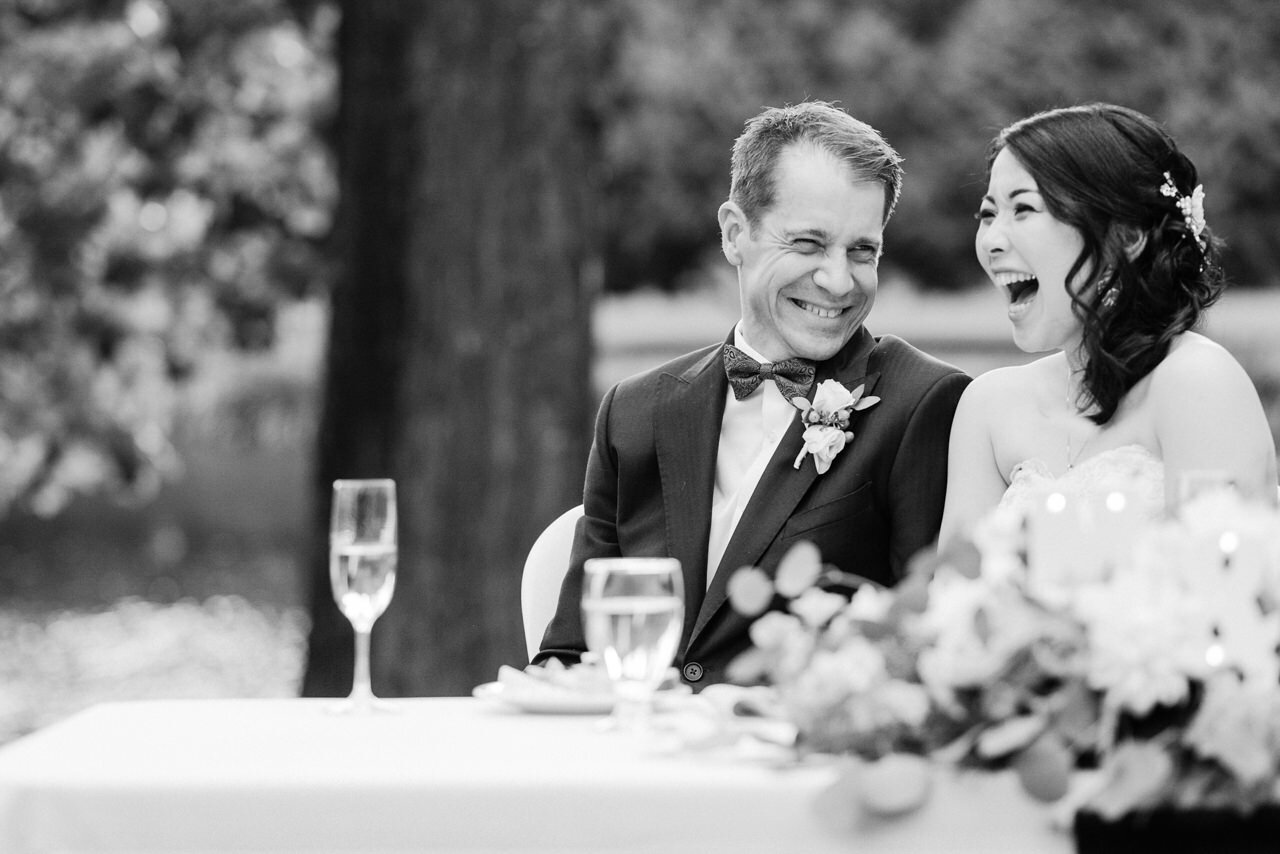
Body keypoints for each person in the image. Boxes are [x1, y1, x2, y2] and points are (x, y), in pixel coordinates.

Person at [534, 101, 971, 689]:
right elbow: (570, 652)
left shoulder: (927, 403)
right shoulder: (633, 411)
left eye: (862, 251)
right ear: (735, 234)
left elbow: (927, 651)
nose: (839, 281)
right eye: (809, 244)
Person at [939, 103, 1278, 547]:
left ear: (1128, 236)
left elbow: (1223, 594)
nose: (992, 241)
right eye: (988, 214)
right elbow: (948, 595)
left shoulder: (1197, 383)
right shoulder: (988, 406)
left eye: (1023, 209)